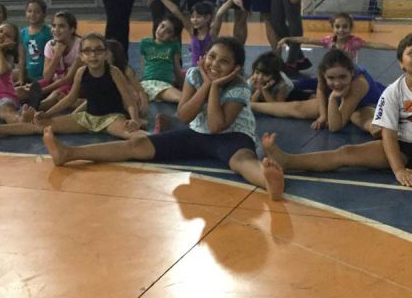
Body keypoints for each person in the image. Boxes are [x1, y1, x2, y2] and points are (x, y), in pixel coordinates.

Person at [41, 37, 285, 201]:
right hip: (196, 134)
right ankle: (69, 153)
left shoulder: (240, 86)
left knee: (242, 160)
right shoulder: (194, 74)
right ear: (203, 57)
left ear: (236, 68)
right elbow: (184, 115)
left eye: (224, 61)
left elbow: (216, 126)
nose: (214, 64)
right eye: (212, 57)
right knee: (137, 144)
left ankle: (268, 181)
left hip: (231, 137)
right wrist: (207, 85)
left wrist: (213, 87)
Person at [262, 32, 412, 189]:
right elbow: (388, 133)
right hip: (401, 148)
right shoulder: (392, 92)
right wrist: (398, 169)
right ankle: (288, 160)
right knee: (345, 153)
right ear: (401, 62)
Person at [0, 33, 144, 140]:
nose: (93, 55)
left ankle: (154, 136)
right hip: (87, 118)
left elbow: (128, 100)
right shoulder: (81, 72)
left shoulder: (113, 71)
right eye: (87, 51)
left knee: (130, 133)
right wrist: (47, 114)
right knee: (39, 126)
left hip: (111, 118)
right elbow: (70, 98)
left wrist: (134, 119)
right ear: (81, 56)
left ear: (106, 54)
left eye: (98, 50)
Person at [251, 49, 384, 135]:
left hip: (368, 103)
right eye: (331, 78)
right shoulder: (322, 73)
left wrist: (332, 98)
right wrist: (323, 115)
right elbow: (320, 89)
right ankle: (251, 105)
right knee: (298, 107)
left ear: (352, 73)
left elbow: (334, 127)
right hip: (343, 99)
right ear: (324, 74)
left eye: (342, 77)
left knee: (358, 116)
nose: (337, 83)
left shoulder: (359, 84)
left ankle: (375, 126)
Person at [146, 0, 244, 67]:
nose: (194, 20)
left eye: (198, 17)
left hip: (208, 70)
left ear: (207, 18)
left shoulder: (212, 33)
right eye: (192, 17)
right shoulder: (192, 31)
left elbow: (219, 14)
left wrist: (231, 0)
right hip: (194, 71)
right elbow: (176, 11)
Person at [277, 12, 393, 63]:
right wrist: (288, 38)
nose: (341, 30)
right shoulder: (329, 41)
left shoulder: (354, 42)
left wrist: (396, 48)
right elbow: (307, 40)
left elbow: (374, 45)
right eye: (337, 27)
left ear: (350, 28)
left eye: (345, 27)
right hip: (333, 71)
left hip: (348, 72)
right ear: (332, 28)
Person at [25, 11, 83, 111]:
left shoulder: (80, 46)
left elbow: (69, 79)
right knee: (25, 89)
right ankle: (17, 105)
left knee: (56, 94)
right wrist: (57, 55)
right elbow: (47, 76)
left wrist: (43, 90)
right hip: (55, 81)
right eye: (54, 26)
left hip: (76, 84)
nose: (56, 30)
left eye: (61, 26)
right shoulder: (49, 45)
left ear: (72, 29)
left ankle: (32, 110)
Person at [140, 15, 184, 104]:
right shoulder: (145, 43)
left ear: (173, 37)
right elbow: (143, 65)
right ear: (158, 24)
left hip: (164, 86)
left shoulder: (173, 45)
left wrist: (181, 85)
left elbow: (176, 67)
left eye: (168, 31)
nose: (162, 31)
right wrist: (140, 83)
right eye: (162, 26)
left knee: (184, 99)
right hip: (146, 84)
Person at [106, 39, 150, 118]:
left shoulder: (126, 70)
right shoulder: (103, 69)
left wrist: (144, 103)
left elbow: (139, 89)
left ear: (115, 55)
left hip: (129, 100)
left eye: (106, 53)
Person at [17, 0, 52, 85]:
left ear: (44, 14)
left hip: (45, 76)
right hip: (29, 75)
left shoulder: (49, 32)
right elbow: (22, 57)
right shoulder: (23, 33)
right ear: (25, 13)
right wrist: (21, 78)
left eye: (37, 12)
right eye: (29, 11)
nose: (32, 14)